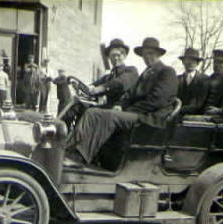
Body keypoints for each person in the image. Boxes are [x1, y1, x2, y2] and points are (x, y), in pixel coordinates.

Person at [69, 37, 178, 165]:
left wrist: (127, 110)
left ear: (159, 54)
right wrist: (120, 106)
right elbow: (130, 96)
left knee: (109, 116)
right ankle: (70, 148)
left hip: (150, 118)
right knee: (91, 112)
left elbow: (156, 101)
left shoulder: (167, 72)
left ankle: (82, 157)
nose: (146, 57)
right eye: (144, 54)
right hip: (138, 114)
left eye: (150, 53)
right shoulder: (146, 73)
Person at [62, 38, 138, 127]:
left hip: (122, 108)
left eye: (119, 55)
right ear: (109, 57)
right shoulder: (108, 76)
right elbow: (94, 85)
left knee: (90, 113)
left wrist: (100, 88)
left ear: (124, 56)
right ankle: (64, 134)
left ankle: (80, 137)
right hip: (108, 108)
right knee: (77, 106)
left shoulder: (131, 71)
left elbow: (119, 83)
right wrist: (81, 86)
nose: (116, 58)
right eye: (113, 56)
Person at [177, 48, 209, 115]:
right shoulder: (177, 79)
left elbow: (200, 102)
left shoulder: (204, 79)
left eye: (193, 60)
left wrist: (180, 110)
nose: (190, 63)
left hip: (196, 118)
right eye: (188, 59)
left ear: (197, 63)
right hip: (177, 117)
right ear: (183, 62)